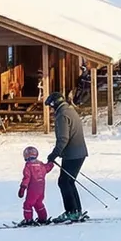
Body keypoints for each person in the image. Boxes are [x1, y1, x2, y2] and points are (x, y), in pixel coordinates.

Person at [45, 90, 91, 222]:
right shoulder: (70, 110)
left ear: (55, 104)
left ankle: (71, 212)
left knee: (64, 182)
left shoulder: (62, 115)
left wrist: (54, 155)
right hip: (78, 152)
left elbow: (63, 139)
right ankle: (76, 211)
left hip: (72, 154)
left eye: (51, 107)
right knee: (69, 181)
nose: (51, 110)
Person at [16, 144, 56, 226]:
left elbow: (26, 178)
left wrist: (22, 188)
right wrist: (51, 163)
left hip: (32, 189)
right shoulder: (41, 164)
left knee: (28, 204)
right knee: (38, 203)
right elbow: (47, 168)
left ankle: (28, 220)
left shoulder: (28, 166)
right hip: (41, 189)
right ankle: (43, 218)